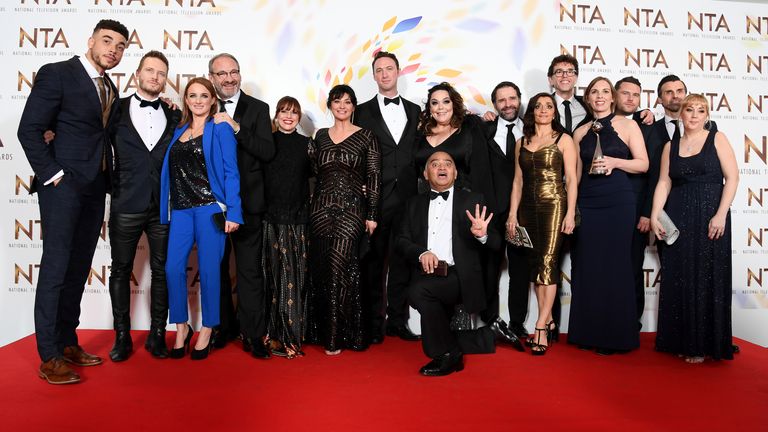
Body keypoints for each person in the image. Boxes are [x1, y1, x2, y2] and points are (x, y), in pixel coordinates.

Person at [17, 19, 129, 385]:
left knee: (79, 268)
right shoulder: (58, 73)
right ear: (91, 40)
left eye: (121, 46)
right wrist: (53, 174)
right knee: (56, 268)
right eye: (108, 41)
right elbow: (29, 129)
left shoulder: (110, 87)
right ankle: (48, 355)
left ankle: (67, 342)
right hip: (62, 187)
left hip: (95, 187)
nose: (113, 49)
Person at [415, 81, 520, 348]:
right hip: (429, 207)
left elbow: (483, 169)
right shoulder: (420, 133)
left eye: (446, 101)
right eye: (435, 102)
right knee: (436, 268)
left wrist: (484, 209)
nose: (440, 107)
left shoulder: (470, 127)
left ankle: (478, 328)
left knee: (466, 266)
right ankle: (455, 333)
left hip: (464, 208)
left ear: (455, 104)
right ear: (429, 108)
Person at [650, 94, 738, 364]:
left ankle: (703, 344)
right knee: (680, 276)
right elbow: (664, 183)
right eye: (690, 110)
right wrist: (655, 216)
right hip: (678, 215)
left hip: (711, 214)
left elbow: (732, 177)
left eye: (701, 110)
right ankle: (682, 340)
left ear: (707, 115)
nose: (695, 115)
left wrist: (721, 214)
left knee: (706, 276)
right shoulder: (670, 146)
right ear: (682, 114)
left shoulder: (717, 139)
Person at [160, 77, 242, 360]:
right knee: (172, 268)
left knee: (208, 272)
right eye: (192, 95)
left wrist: (234, 211)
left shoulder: (219, 128)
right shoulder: (179, 130)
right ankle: (182, 326)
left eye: (203, 96)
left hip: (210, 209)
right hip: (181, 210)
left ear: (212, 100)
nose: (197, 100)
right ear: (185, 100)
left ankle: (207, 328)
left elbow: (232, 172)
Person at [396, 151, 500, 376]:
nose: (442, 167)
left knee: (419, 292)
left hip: (459, 276)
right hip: (428, 274)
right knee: (422, 291)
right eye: (435, 164)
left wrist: (481, 235)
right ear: (425, 173)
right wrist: (421, 252)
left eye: (448, 164)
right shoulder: (413, 204)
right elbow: (401, 241)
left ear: (454, 173)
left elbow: (496, 243)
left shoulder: (473, 200)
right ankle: (469, 344)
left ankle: (444, 354)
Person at [107, 50, 181, 361]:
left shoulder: (175, 114)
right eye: (149, 70)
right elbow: (94, 142)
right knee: (121, 270)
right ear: (137, 74)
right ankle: (122, 336)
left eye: (161, 73)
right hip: (126, 202)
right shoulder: (116, 110)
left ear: (165, 80)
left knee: (162, 271)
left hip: (162, 207)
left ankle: (157, 336)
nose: (155, 77)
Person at [568, 77, 648, 355]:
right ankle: (588, 332)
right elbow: (574, 177)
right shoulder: (579, 133)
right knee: (589, 265)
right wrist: (571, 209)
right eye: (594, 92)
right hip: (588, 202)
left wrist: (616, 162)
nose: (599, 96)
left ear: (612, 97)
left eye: (605, 91)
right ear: (587, 99)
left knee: (616, 266)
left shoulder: (629, 125)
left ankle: (616, 335)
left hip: (618, 200)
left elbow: (643, 163)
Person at [208, 53, 276, 358]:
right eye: (221, 74)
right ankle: (222, 328)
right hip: (212, 206)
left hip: (249, 204)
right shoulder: (203, 106)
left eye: (233, 72)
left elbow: (267, 152)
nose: (228, 78)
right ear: (211, 77)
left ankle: (252, 335)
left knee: (250, 273)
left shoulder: (259, 109)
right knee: (217, 270)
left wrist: (236, 126)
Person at [354, 51, 421, 344]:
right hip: (376, 197)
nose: (384, 74)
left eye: (389, 69)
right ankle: (372, 322)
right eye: (379, 70)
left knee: (402, 262)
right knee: (373, 262)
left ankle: (398, 321)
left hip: (409, 197)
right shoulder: (360, 111)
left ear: (398, 72)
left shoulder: (417, 110)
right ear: (374, 75)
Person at [309, 84, 381, 355]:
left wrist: (372, 214)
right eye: (337, 101)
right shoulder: (320, 136)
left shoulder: (366, 136)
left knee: (342, 268)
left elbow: (373, 176)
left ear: (354, 107)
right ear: (330, 105)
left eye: (348, 102)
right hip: (320, 210)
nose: (342, 106)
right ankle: (323, 332)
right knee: (324, 270)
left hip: (352, 210)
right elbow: (315, 172)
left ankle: (339, 337)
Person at [506, 93, 578, 355]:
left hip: (554, 206)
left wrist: (570, 213)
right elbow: (517, 182)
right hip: (526, 208)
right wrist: (512, 214)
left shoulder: (564, 139)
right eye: (539, 107)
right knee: (537, 265)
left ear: (555, 112)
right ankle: (548, 320)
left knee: (548, 261)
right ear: (532, 112)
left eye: (549, 106)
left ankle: (539, 324)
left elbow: (571, 179)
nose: (544, 110)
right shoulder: (521, 142)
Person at [481, 81, 532, 342]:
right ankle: (490, 321)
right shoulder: (484, 129)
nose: (508, 104)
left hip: (521, 211)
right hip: (490, 212)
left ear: (520, 100)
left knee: (520, 270)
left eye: (512, 98)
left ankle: (517, 323)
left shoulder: (534, 130)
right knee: (489, 267)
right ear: (494, 105)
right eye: (501, 100)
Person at [262, 97, 312, 359]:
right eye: (283, 111)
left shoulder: (307, 145)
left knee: (294, 281)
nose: (289, 116)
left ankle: (293, 338)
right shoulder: (267, 143)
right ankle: (272, 336)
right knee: (272, 281)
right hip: (270, 219)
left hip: (298, 222)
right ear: (276, 115)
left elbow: (322, 177)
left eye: (294, 112)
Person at [614, 76, 656, 328]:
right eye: (626, 93)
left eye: (636, 95)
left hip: (636, 208)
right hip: (605, 207)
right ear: (614, 95)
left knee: (631, 266)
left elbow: (655, 174)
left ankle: (632, 321)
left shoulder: (648, 126)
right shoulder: (597, 121)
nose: (631, 99)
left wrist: (647, 212)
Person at [547, 54, 590, 134]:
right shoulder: (540, 107)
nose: (565, 76)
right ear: (550, 80)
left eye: (570, 72)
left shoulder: (588, 104)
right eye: (559, 72)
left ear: (576, 78)